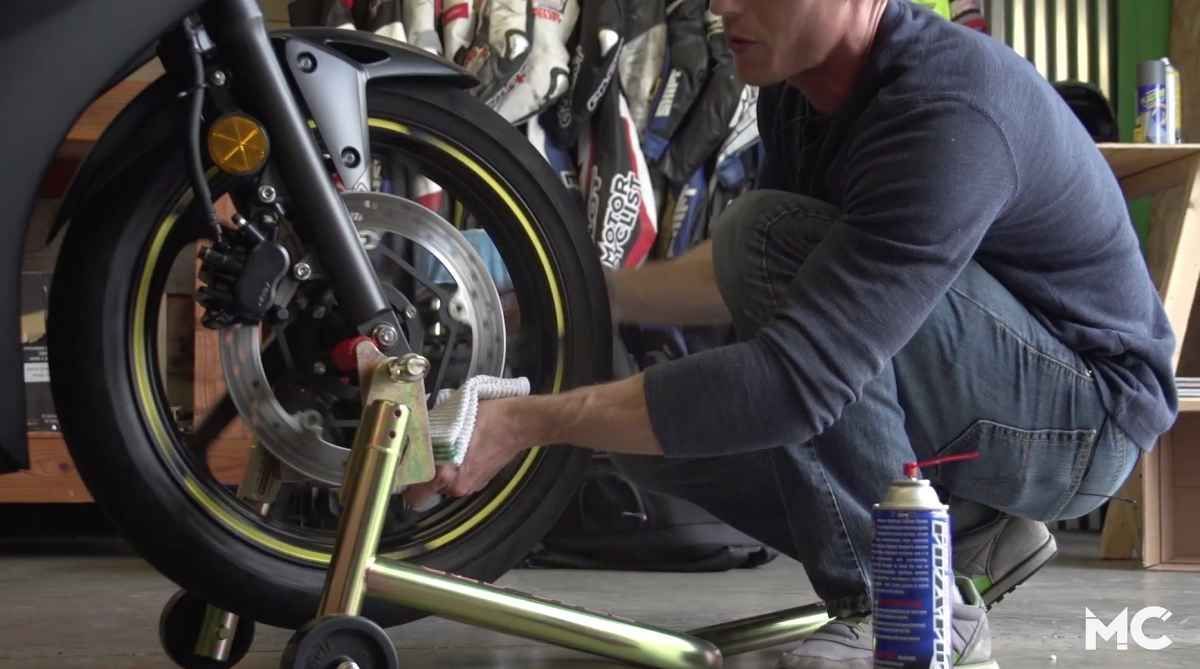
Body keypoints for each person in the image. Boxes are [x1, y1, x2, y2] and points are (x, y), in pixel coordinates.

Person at [407, 0, 1177, 666]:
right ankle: (965, 535)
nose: (723, 9)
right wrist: (573, 299)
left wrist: (532, 422)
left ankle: (906, 609)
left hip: (1086, 418)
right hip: (991, 393)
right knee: (646, 444)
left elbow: (800, 366)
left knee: (760, 265)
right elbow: (739, 281)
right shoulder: (797, 92)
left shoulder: (948, 107)